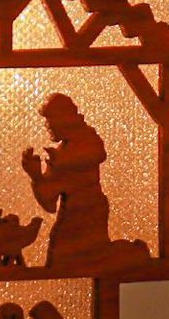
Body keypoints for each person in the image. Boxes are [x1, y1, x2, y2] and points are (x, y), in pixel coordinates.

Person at [21, 94, 113, 268]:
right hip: (69, 215)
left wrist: (62, 162)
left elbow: (98, 154)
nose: (47, 126)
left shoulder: (87, 138)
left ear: (65, 118)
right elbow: (49, 203)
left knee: (90, 263)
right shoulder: (60, 152)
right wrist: (36, 176)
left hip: (89, 213)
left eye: (51, 120)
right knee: (60, 262)